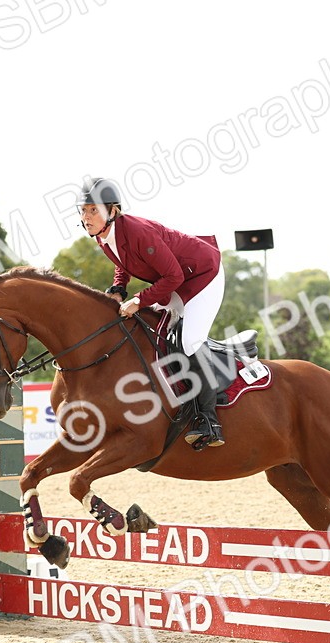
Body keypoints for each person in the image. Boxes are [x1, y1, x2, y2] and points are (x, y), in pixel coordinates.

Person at [77, 177, 226, 447]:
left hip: (203, 275)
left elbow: (173, 276)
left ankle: (209, 420)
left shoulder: (137, 231)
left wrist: (138, 300)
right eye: (83, 210)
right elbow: (123, 263)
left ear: (112, 211)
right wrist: (118, 289)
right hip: (177, 280)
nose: (86, 217)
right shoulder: (103, 235)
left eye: (93, 210)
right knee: (154, 327)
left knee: (189, 341)